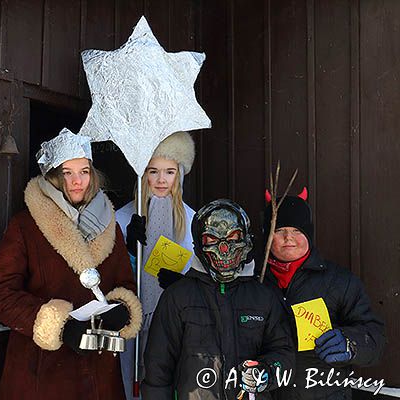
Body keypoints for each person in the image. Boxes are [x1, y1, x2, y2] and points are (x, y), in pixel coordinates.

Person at [0, 128, 143, 400]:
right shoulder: (26, 226)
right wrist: (59, 325)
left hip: (98, 374)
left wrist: (122, 308)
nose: (77, 181)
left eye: (84, 171)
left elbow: (125, 284)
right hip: (42, 374)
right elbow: (0, 295)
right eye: (67, 173)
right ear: (54, 177)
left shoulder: (110, 226)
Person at [143, 199, 295, 400]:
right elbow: (157, 369)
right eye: (212, 240)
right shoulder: (177, 297)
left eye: (233, 238)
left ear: (246, 241)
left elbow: (284, 353)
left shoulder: (264, 297)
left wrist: (266, 371)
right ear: (199, 244)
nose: (224, 249)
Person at [263, 189, 385, 399]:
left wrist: (350, 343)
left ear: (309, 234)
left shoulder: (340, 281)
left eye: (297, 230)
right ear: (267, 233)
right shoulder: (252, 281)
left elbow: (376, 340)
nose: (288, 238)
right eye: (280, 229)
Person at [115, 131, 196, 399]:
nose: (161, 180)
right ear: (143, 174)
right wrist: (128, 251)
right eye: (153, 171)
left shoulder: (193, 221)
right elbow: (108, 275)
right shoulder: (122, 217)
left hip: (177, 323)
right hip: (133, 321)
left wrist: (183, 284)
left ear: (179, 175)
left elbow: (204, 277)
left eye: (169, 172)